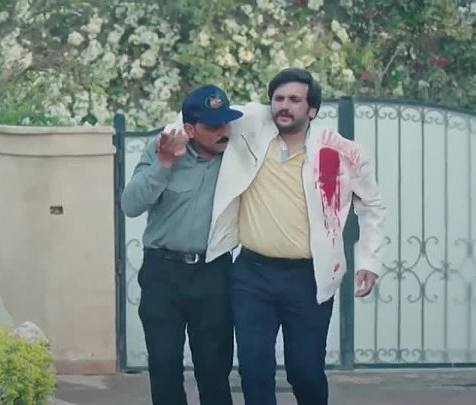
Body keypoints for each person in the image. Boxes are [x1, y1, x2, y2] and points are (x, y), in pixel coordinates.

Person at [161, 68, 386, 405]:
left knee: (305, 371)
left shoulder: (340, 151)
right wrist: (170, 136)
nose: (284, 105)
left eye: (294, 100)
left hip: (309, 278)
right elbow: (193, 115)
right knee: (254, 370)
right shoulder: (251, 124)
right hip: (252, 276)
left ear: (312, 109)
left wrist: (369, 260)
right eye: (278, 98)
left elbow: (372, 206)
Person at [120, 84, 244, 405]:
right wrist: (164, 161)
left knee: (214, 369)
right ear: (189, 129)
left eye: (225, 122)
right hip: (163, 273)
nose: (223, 131)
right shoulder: (160, 149)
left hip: (213, 273)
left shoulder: (238, 158)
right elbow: (130, 205)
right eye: (212, 126)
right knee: (164, 365)